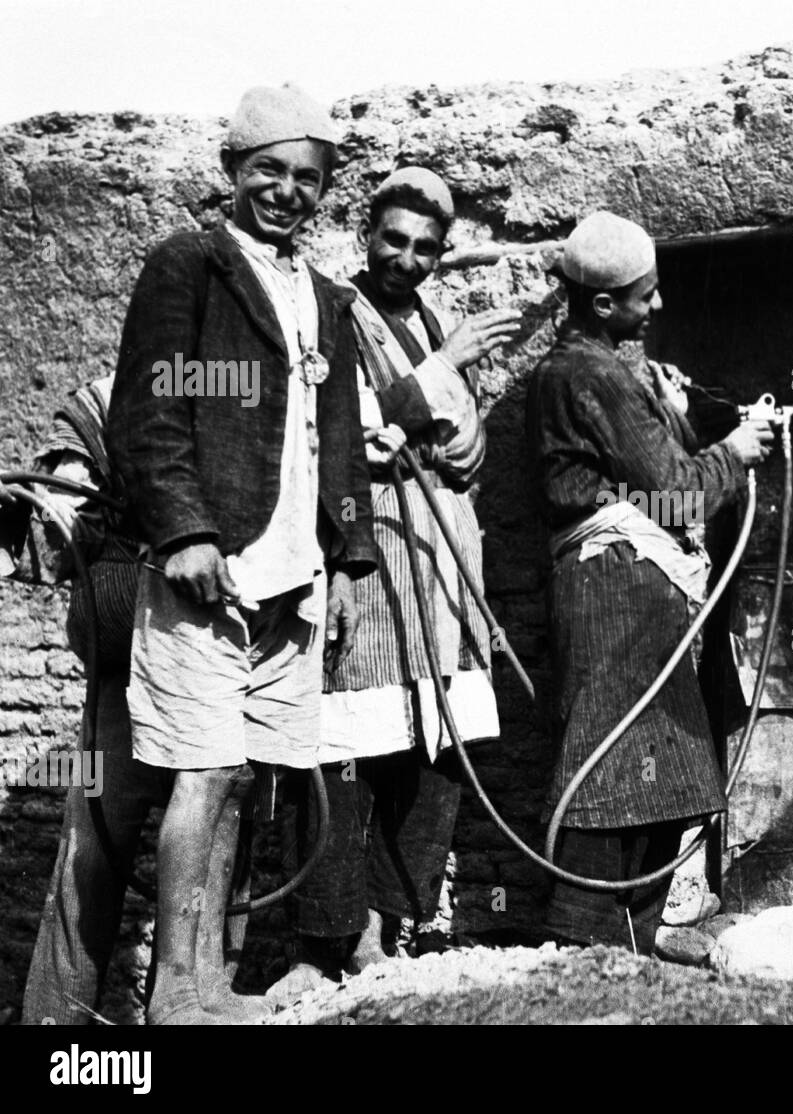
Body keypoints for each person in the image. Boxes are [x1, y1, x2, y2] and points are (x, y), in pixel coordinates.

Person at [105, 84, 377, 1023]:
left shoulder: (327, 299)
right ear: (231, 172)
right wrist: (182, 529)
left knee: (254, 776)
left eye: (307, 178)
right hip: (210, 567)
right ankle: (176, 994)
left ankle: (212, 984)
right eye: (268, 170)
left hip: (294, 572)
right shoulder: (190, 267)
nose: (286, 191)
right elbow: (148, 410)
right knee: (205, 769)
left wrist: (348, 560)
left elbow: (338, 440)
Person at [281, 168, 521, 986]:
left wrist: (465, 441)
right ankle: (327, 943)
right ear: (366, 236)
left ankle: (392, 926)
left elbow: (459, 437)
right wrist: (443, 372)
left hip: (442, 561)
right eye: (394, 240)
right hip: (367, 550)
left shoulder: (425, 319)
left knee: (432, 752)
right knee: (347, 751)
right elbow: (333, 429)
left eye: (426, 248)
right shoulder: (333, 315)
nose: (408, 259)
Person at [525, 210, 773, 954]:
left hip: (639, 599)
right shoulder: (587, 372)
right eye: (646, 295)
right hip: (613, 600)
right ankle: (578, 953)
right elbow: (678, 495)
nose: (657, 306)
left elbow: (651, 472)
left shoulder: (606, 371)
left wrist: (677, 418)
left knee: (662, 774)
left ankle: (625, 950)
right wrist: (736, 450)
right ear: (603, 305)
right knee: (606, 773)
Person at [6, 376, 172, 1024]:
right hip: (122, 657)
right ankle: (52, 1022)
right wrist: (65, 493)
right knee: (90, 850)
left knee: (212, 839)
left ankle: (179, 1010)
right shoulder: (116, 394)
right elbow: (61, 497)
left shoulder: (245, 385)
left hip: (212, 651)